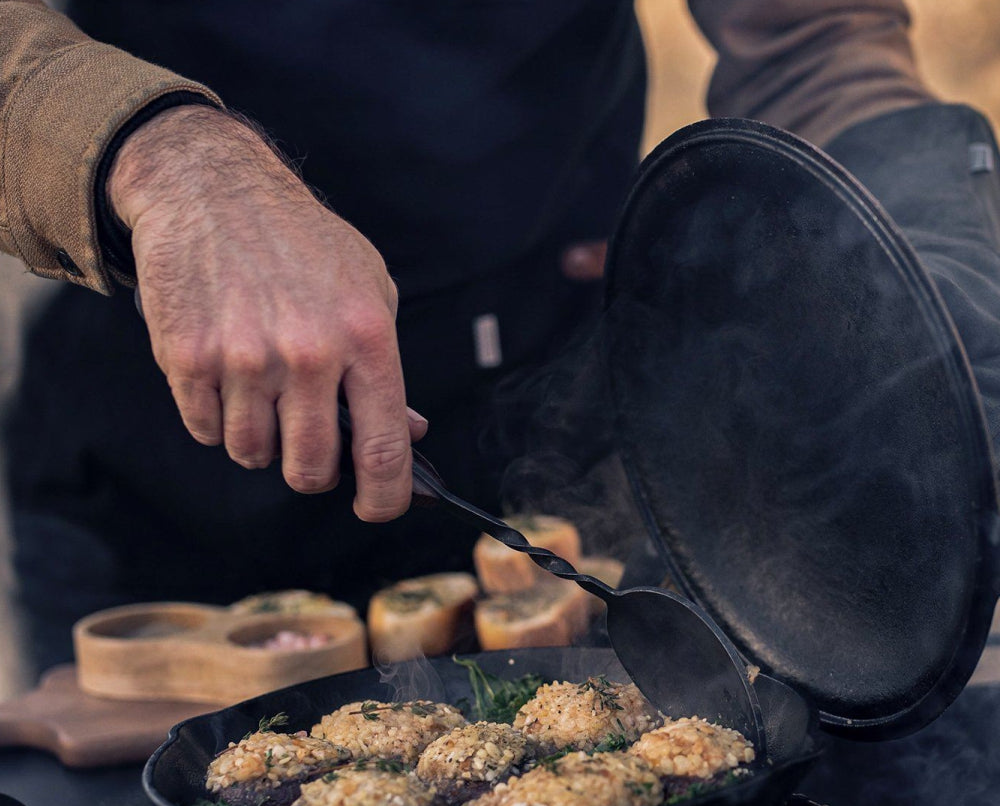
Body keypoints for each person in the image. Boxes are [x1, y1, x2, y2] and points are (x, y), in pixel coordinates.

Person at [0, 0, 971, 672]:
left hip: (564, 421)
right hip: (176, 462)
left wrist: (923, 244)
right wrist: (170, 161)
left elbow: (813, 41)